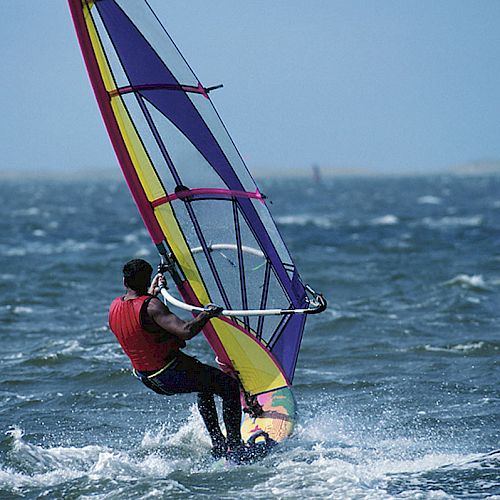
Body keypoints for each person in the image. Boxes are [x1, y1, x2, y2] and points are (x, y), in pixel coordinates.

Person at [108, 258, 245, 459]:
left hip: (147, 378)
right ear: (146, 281)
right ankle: (234, 447)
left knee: (205, 384)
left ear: (124, 282)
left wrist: (150, 294)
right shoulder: (152, 306)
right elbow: (185, 331)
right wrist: (207, 314)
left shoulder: (114, 306)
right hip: (170, 373)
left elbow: (138, 314)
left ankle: (218, 443)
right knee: (229, 387)